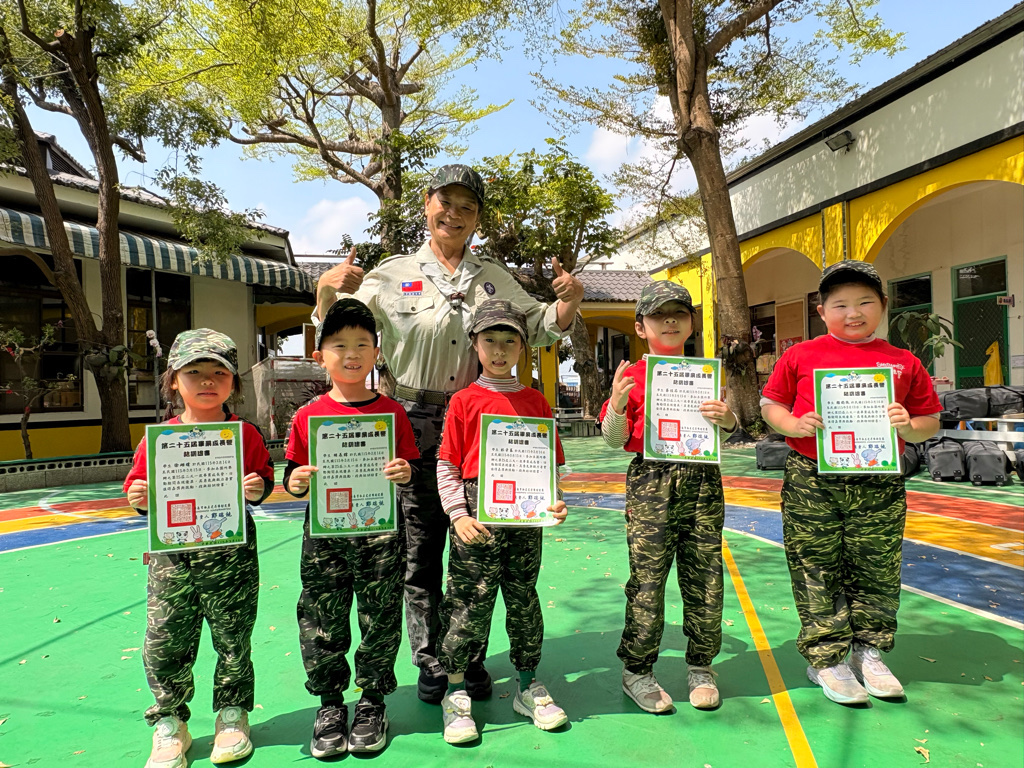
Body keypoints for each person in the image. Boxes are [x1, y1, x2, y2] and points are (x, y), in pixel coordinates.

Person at [313, 164, 585, 703]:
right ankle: (431, 658)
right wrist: (325, 291)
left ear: (478, 217)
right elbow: (340, 331)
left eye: (468, 207)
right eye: (446, 203)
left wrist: (570, 299)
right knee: (420, 547)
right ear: (426, 203)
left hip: (481, 424)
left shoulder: (493, 277)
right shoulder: (390, 274)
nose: (455, 214)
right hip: (412, 418)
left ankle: (467, 654)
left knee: (475, 544)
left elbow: (537, 325)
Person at [760, 260, 941, 705]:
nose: (853, 313)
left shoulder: (902, 362)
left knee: (877, 566)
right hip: (812, 479)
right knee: (815, 566)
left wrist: (908, 426)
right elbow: (771, 404)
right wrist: (794, 424)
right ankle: (827, 658)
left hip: (879, 480)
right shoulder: (800, 356)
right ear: (822, 311)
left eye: (864, 302)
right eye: (840, 304)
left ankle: (869, 652)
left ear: (883, 305)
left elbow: (930, 421)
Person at [124, 330, 275, 768]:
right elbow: (138, 488)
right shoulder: (159, 440)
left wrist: (259, 488)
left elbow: (264, 478)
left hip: (231, 556)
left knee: (233, 637)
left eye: (219, 372)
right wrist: (138, 498)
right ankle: (170, 721)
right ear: (174, 380)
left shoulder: (245, 435)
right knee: (165, 638)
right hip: (172, 559)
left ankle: (233, 714)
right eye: (194, 372)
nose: (207, 381)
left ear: (233, 382)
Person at [284, 298, 419, 756]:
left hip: (381, 536)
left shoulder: (392, 414)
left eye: (362, 344)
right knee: (322, 617)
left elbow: (410, 468)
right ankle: (329, 705)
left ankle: (373, 701)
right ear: (320, 356)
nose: (352, 354)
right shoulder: (308, 415)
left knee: (380, 616)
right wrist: (296, 483)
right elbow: (293, 475)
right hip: (325, 538)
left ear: (376, 354)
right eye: (339, 345)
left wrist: (405, 472)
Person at [434, 300, 570, 743]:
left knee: (524, 601)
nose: (498, 350)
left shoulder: (535, 401)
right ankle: (455, 694)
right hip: (476, 518)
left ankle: (528, 685)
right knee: (466, 604)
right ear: (474, 344)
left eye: (509, 341)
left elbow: (551, 467)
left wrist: (556, 502)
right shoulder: (463, 401)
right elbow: (447, 465)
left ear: (522, 347)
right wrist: (458, 515)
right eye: (489, 340)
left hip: (526, 520)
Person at [598, 282, 736, 714]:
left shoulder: (706, 374)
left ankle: (701, 666)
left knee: (705, 577)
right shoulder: (633, 377)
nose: (670, 321)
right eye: (659, 315)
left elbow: (721, 436)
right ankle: (637, 670)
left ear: (692, 323)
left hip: (702, 481)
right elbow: (613, 440)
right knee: (647, 581)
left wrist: (728, 419)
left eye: (679, 313)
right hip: (651, 481)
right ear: (641, 327)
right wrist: (617, 404)